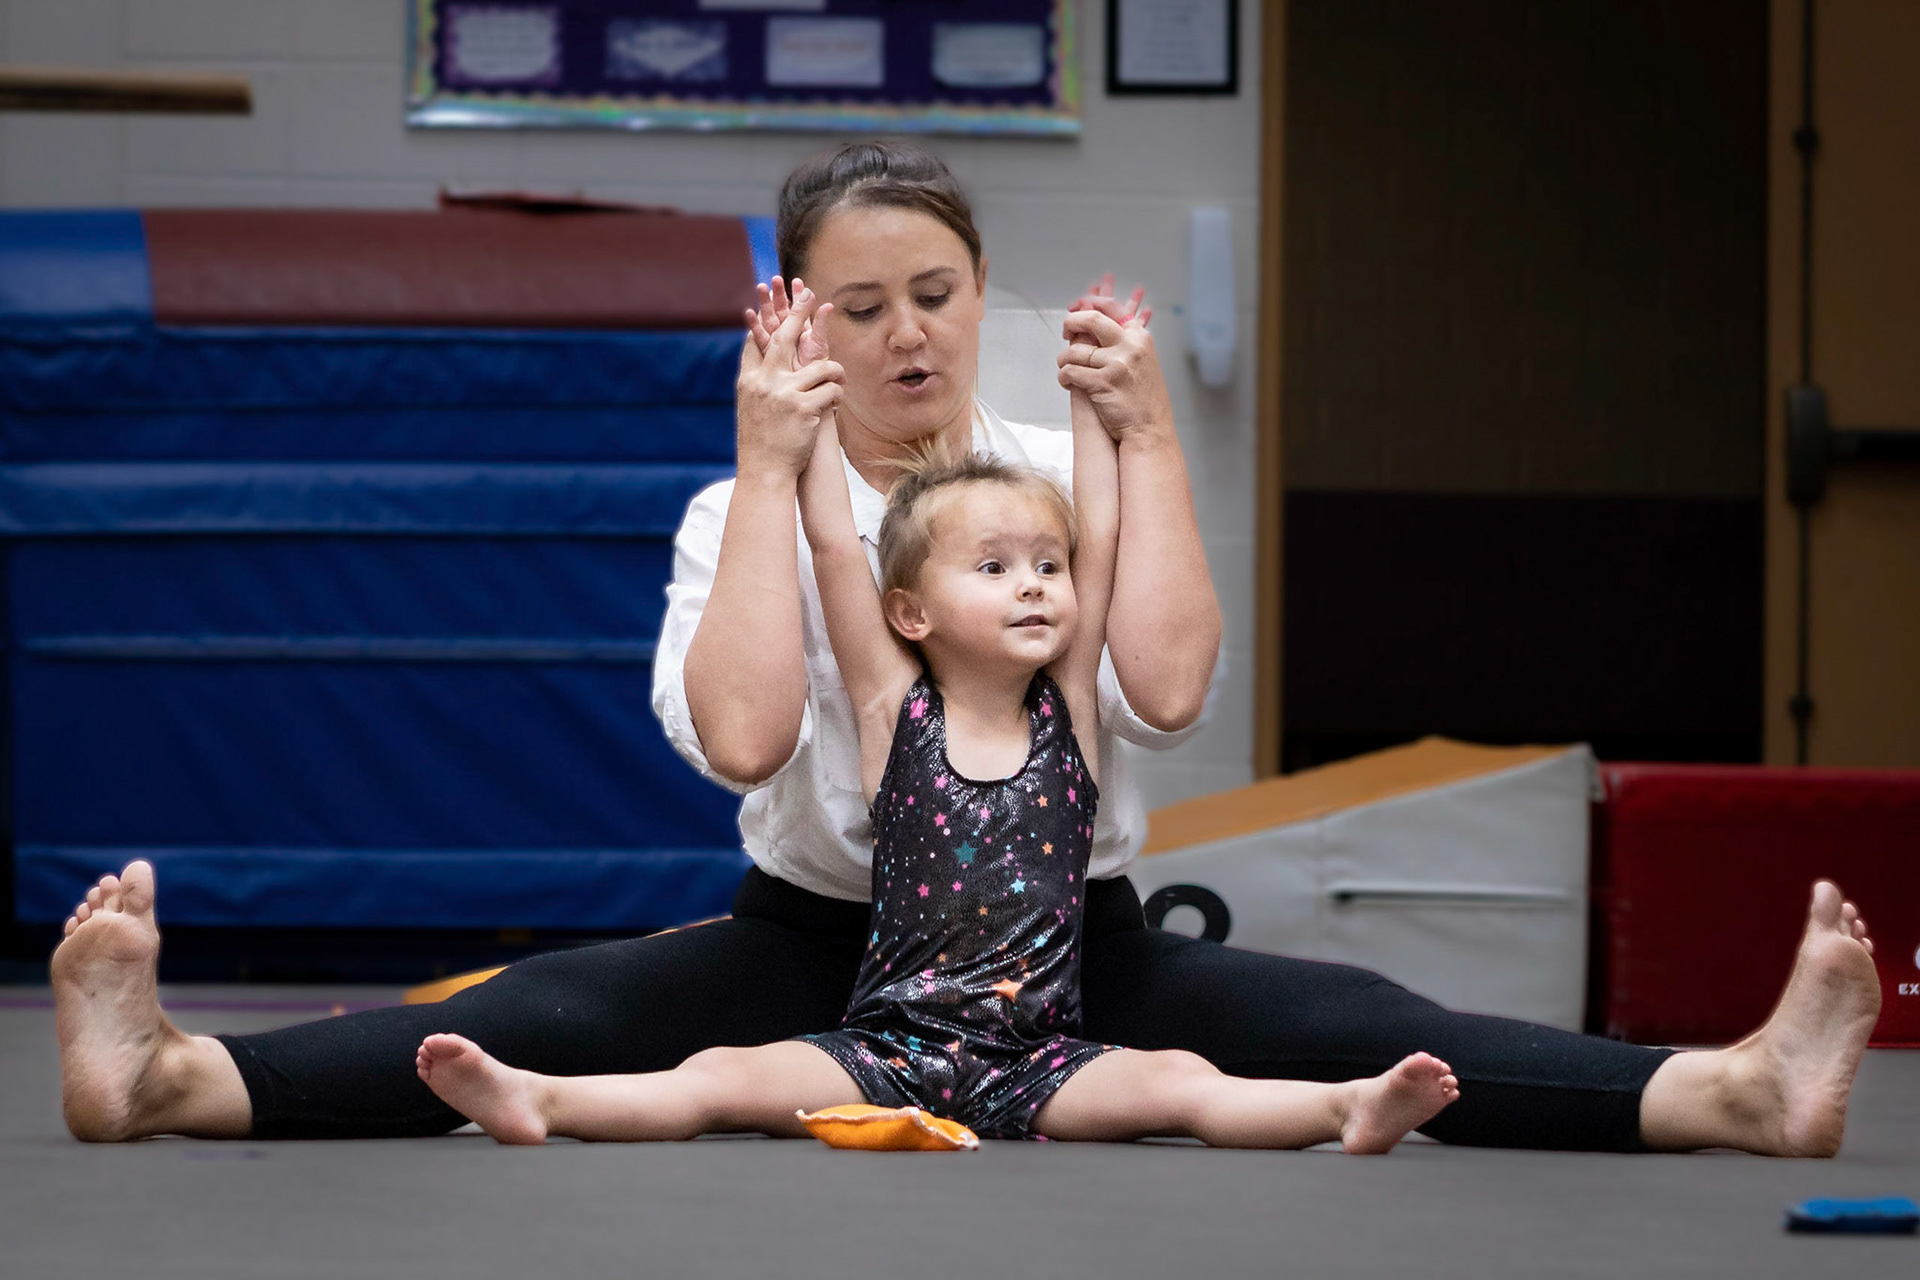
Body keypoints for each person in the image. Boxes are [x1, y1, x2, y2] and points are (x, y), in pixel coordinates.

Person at [51, 141, 1881, 1157]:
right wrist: (772, 472)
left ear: (974, 296)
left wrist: (1150, 441)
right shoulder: (735, 508)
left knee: (1351, 1026)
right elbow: (753, 740)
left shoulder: (1045, 475)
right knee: (546, 1016)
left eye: (937, 296)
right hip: (820, 947)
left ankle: (1731, 1088)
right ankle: (173, 1078)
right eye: (862, 305)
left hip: (1067, 954)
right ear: (797, 315)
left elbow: (1163, 689)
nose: (911, 337)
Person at [410, 295, 1461, 1151]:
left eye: (1046, 569)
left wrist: (1101, 404)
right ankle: (537, 1097)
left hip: (1049, 1055)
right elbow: (831, 546)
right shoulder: (892, 709)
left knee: (1186, 1081)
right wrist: (802, 403)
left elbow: (1099, 536)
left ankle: (1346, 1108)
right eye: (996, 568)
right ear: (909, 609)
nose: (1038, 587)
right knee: (717, 1077)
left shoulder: (1072, 723)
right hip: (884, 1045)